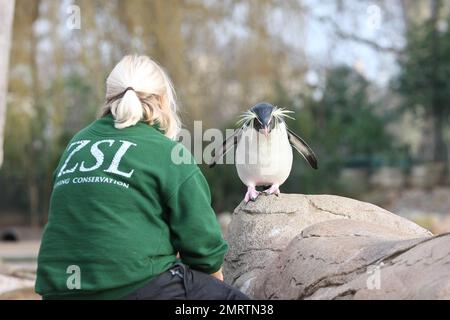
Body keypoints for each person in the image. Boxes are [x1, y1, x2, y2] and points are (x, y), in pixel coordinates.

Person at [35, 55, 249, 300]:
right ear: (161, 99)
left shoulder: (76, 144)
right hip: (130, 287)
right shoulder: (167, 152)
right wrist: (217, 282)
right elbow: (202, 246)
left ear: (109, 98)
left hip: (59, 291)